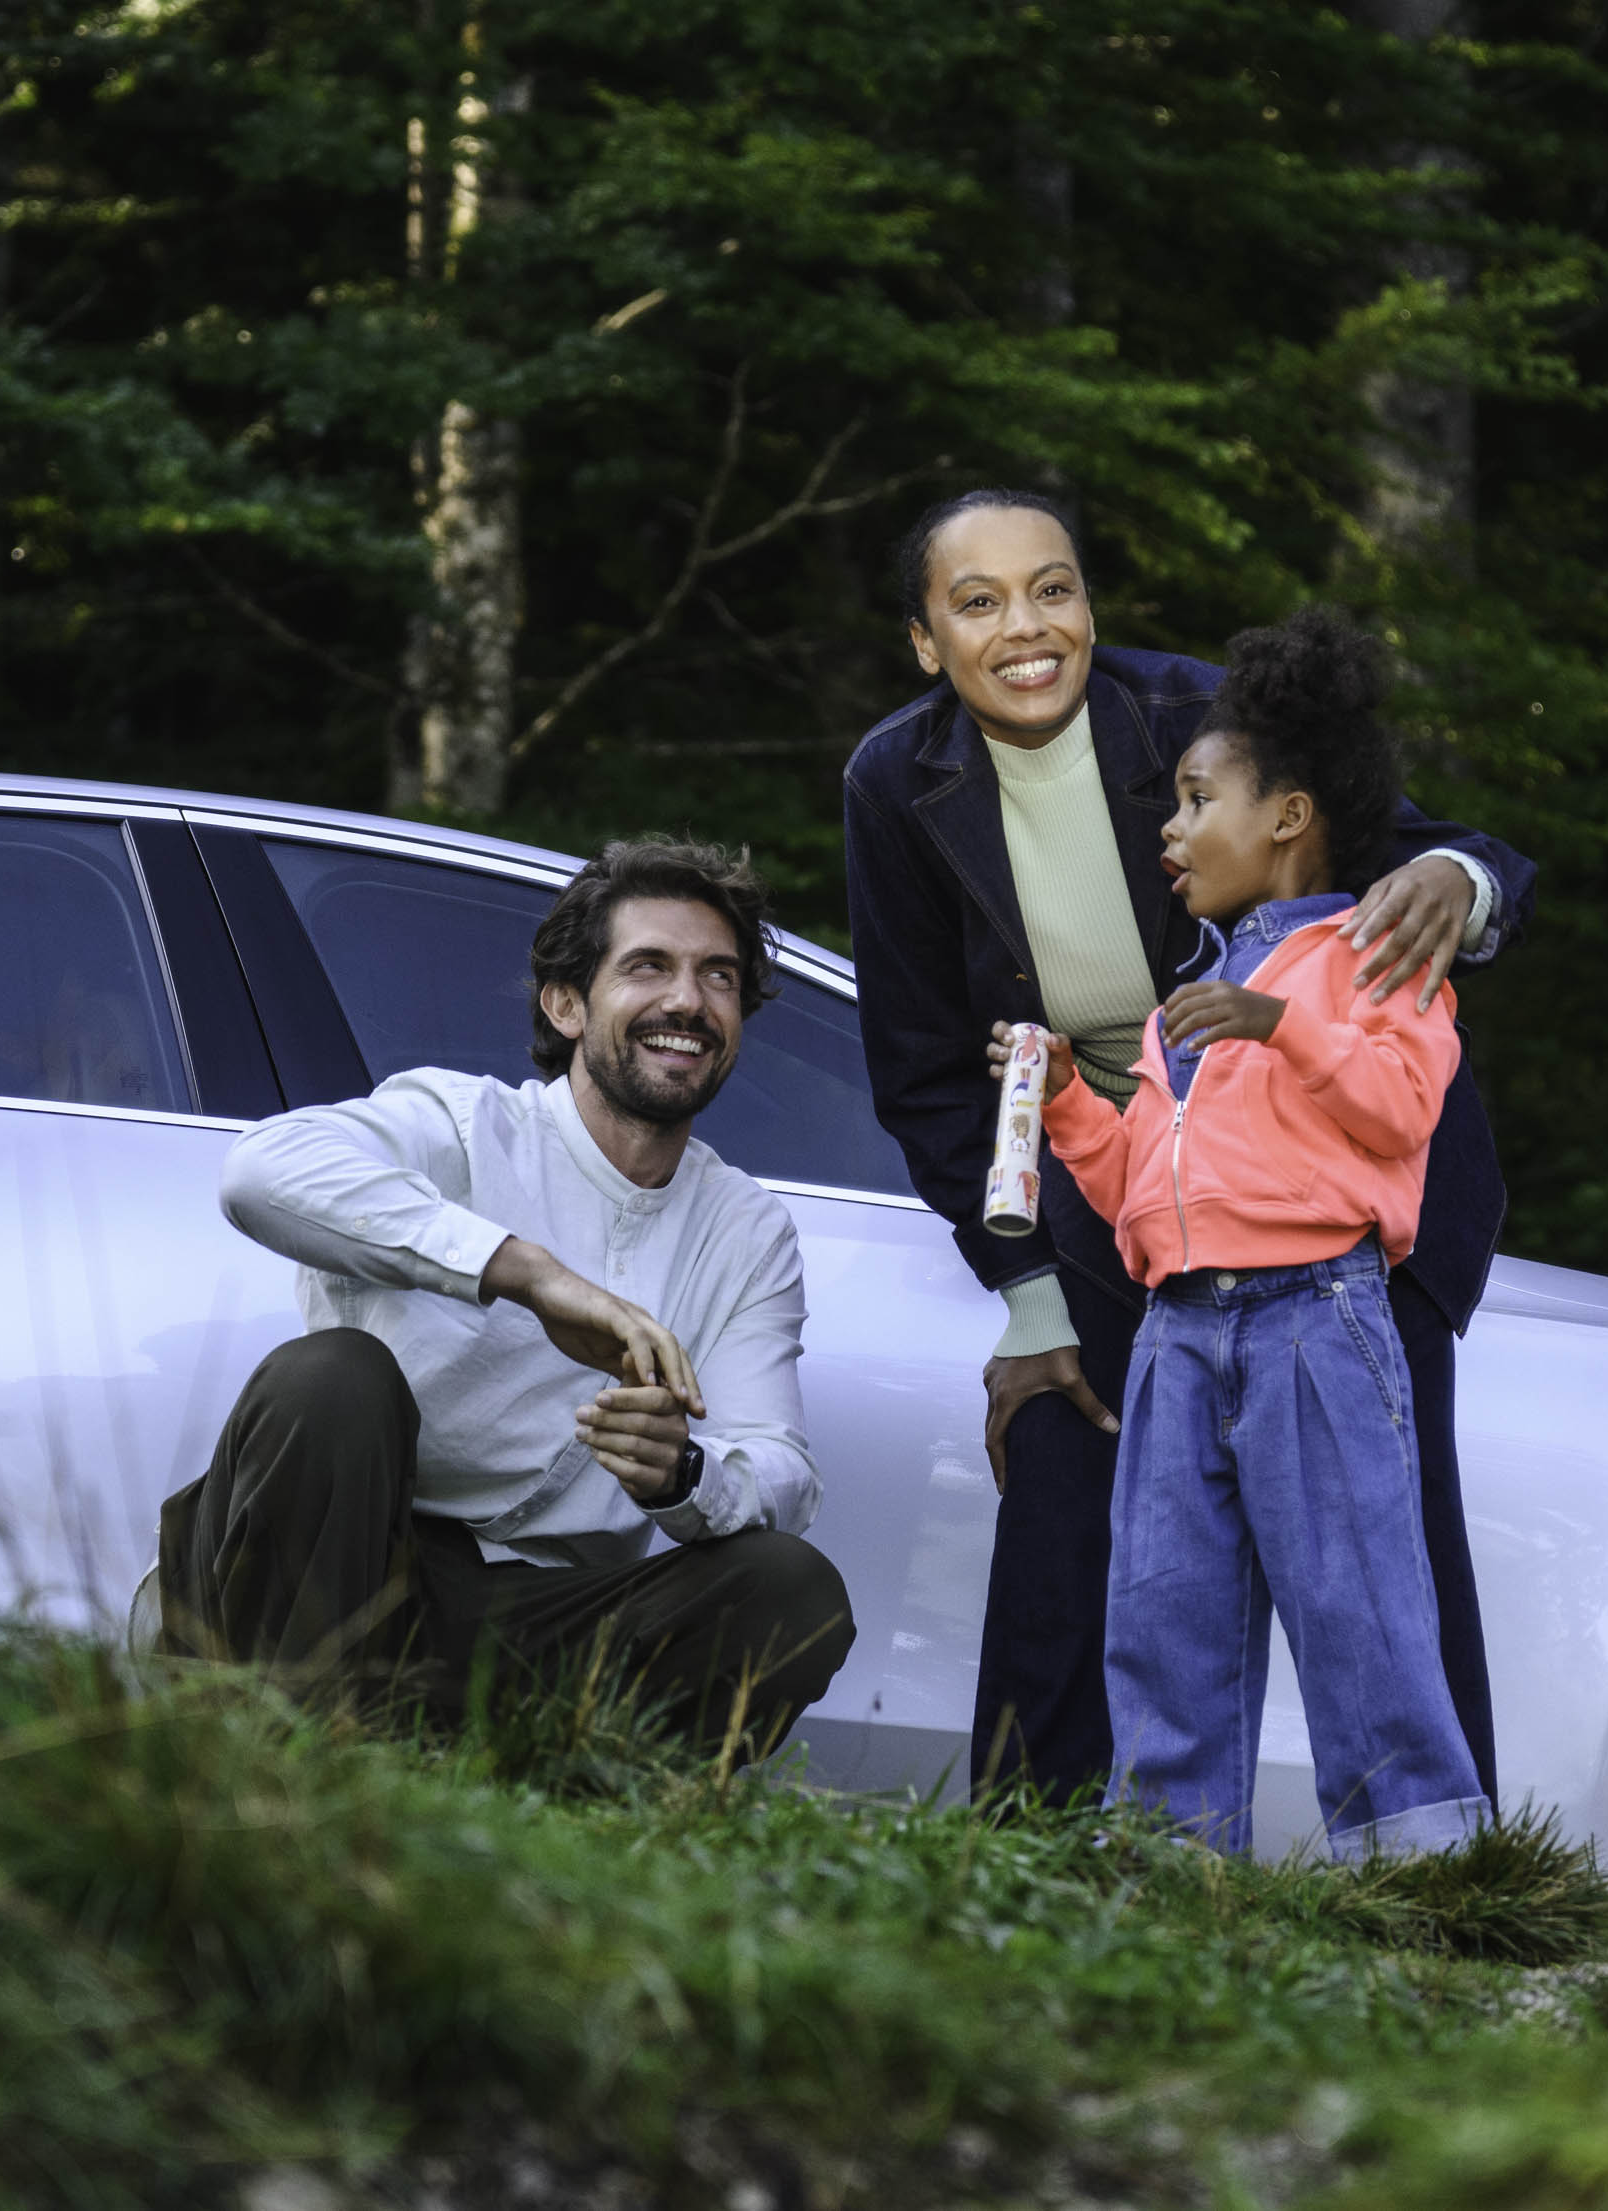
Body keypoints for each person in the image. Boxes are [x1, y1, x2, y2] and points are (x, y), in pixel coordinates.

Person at [843, 488, 1534, 1805]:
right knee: (1078, 1523)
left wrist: (1463, 878)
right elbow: (925, 1073)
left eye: (1053, 588)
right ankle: (1046, 1865)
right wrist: (1026, 1292)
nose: (1026, 625)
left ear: (1090, 603)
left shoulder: (1192, 717)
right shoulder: (894, 781)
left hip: (1340, 1203)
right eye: (979, 602)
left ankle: (1449, 1872)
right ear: (927, 641)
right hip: (1122, 1182)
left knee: (1384, 1559)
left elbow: (1432, 848)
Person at [159, 838, 853, 1757]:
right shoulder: (461, 1122)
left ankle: (577, 1811)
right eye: (648, 965)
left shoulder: (747, 1229)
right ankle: (276, 1771)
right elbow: (260, 1171)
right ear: (566, 1003)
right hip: (334, 1577)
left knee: (792, 1589)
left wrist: (684, 1475)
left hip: (532, 1622)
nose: (688, 1000)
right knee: (330, 1376)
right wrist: (527, 1273)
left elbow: (780, 1468)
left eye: (718, 976)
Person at [1014, 608, 1489, 1859]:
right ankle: (1169, 1863)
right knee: (1161, 1610)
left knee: (1355, 1604)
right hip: (1176, 1332)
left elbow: (1401, 1108)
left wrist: (1277, 1025)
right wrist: (1066, 1100)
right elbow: (1138, 1189)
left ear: (1287, 815)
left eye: (1195, 800)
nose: (1169, 832)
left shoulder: (1371, 952)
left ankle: (1421, 1868)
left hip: (1313, 1318)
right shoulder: (1193, 995)